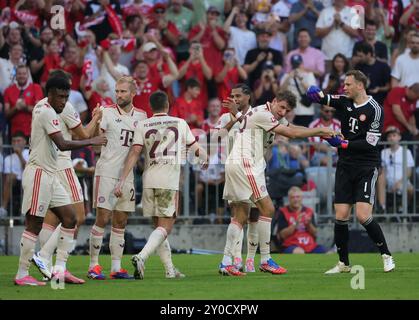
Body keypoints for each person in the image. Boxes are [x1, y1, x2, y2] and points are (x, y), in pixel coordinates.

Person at [218, 88, 338, 276]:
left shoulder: (273, 115)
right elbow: (291, 134)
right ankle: (265, 260)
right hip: (245, 163)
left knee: (241, 214)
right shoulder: (263, 113)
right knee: (267, 209)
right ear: (274, 101)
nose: (283, 112)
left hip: (239, 163)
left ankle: (226, 262)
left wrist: (321, 134)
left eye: (286, 110)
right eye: (281, 107)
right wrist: (320, 129)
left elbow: (294, 128)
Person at [15, 73, 107, 286]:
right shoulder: (47, 112)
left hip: (51, 173)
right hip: (39, 171)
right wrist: (94, 139)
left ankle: (57, 268)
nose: (64, 102)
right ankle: (23, 273)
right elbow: (64, 144)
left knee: (70, 217)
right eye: (60, 97)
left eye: (66, 97)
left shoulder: (46, 107)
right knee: (34, 223)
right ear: (50, 94)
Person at [306, 69, 396, 273]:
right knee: (341, 214)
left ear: (360, 86)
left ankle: (387, 255)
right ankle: (343, 263)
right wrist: (314, 93)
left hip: (366, 165)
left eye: (347, 84)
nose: (344, 88)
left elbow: (371, 143)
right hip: (345, 165)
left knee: (363, 215)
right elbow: (325, 98)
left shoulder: (375, 109)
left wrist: (343, 143)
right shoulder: (345, 100)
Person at [114, 90, 208, 279]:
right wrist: (204, 159)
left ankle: (169, 270)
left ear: (151, 107)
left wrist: (122, 179)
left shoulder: (143, 124)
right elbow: (197, 150)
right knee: (166, 227)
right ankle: (141, 256)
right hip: (169, 180)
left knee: (158, 227)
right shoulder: (180, 123)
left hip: (149, 180)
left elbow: (134, 153)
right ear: (168, 105)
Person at [87, 76, 147, 280]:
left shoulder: (142, 115)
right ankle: (93, 266)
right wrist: (95, 120)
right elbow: (95, 142)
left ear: (133, 93)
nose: (119, 95)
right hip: (106, 172)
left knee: (121, 221)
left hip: (127, 175)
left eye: (123, 91)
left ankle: (116, 268)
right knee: (102, 218)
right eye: (117, 91)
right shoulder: (107, 112)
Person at [275, 186, 327, 254]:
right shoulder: (283, 212)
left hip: (309, 244)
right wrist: (295, 224)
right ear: (289, 199)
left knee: (325, 252)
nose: (295, 199)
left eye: (298, 197)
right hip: (291, 245)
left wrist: (309, 224)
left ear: (302, 198)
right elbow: (282, 235)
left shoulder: (309, 211)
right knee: (299, 252)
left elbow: (315, 234)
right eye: (293, 197)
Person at [377, 126, 415, 215]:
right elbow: (383, 169)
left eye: (394, 135)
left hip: (402, 181)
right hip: (388, 181)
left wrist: (400, 182)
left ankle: (402, 208)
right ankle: (382, 208)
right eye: (389, 136)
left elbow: (409, 171)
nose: (391, 138)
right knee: (380, 177)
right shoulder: (384, 152)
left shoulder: (406, 151)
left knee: (411, 189)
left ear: (399, 137)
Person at [0, 131, 29, 217]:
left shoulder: (30, 153)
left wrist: (19, 155)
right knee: (9, 177)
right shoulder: (8, 158)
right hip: (14, 183)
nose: (16, 143)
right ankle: (3, 209)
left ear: (25, 142)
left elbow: (28, 169)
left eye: (18, 141)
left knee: (27, 180)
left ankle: (24, 211)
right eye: (14, 141)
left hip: (27, 180)